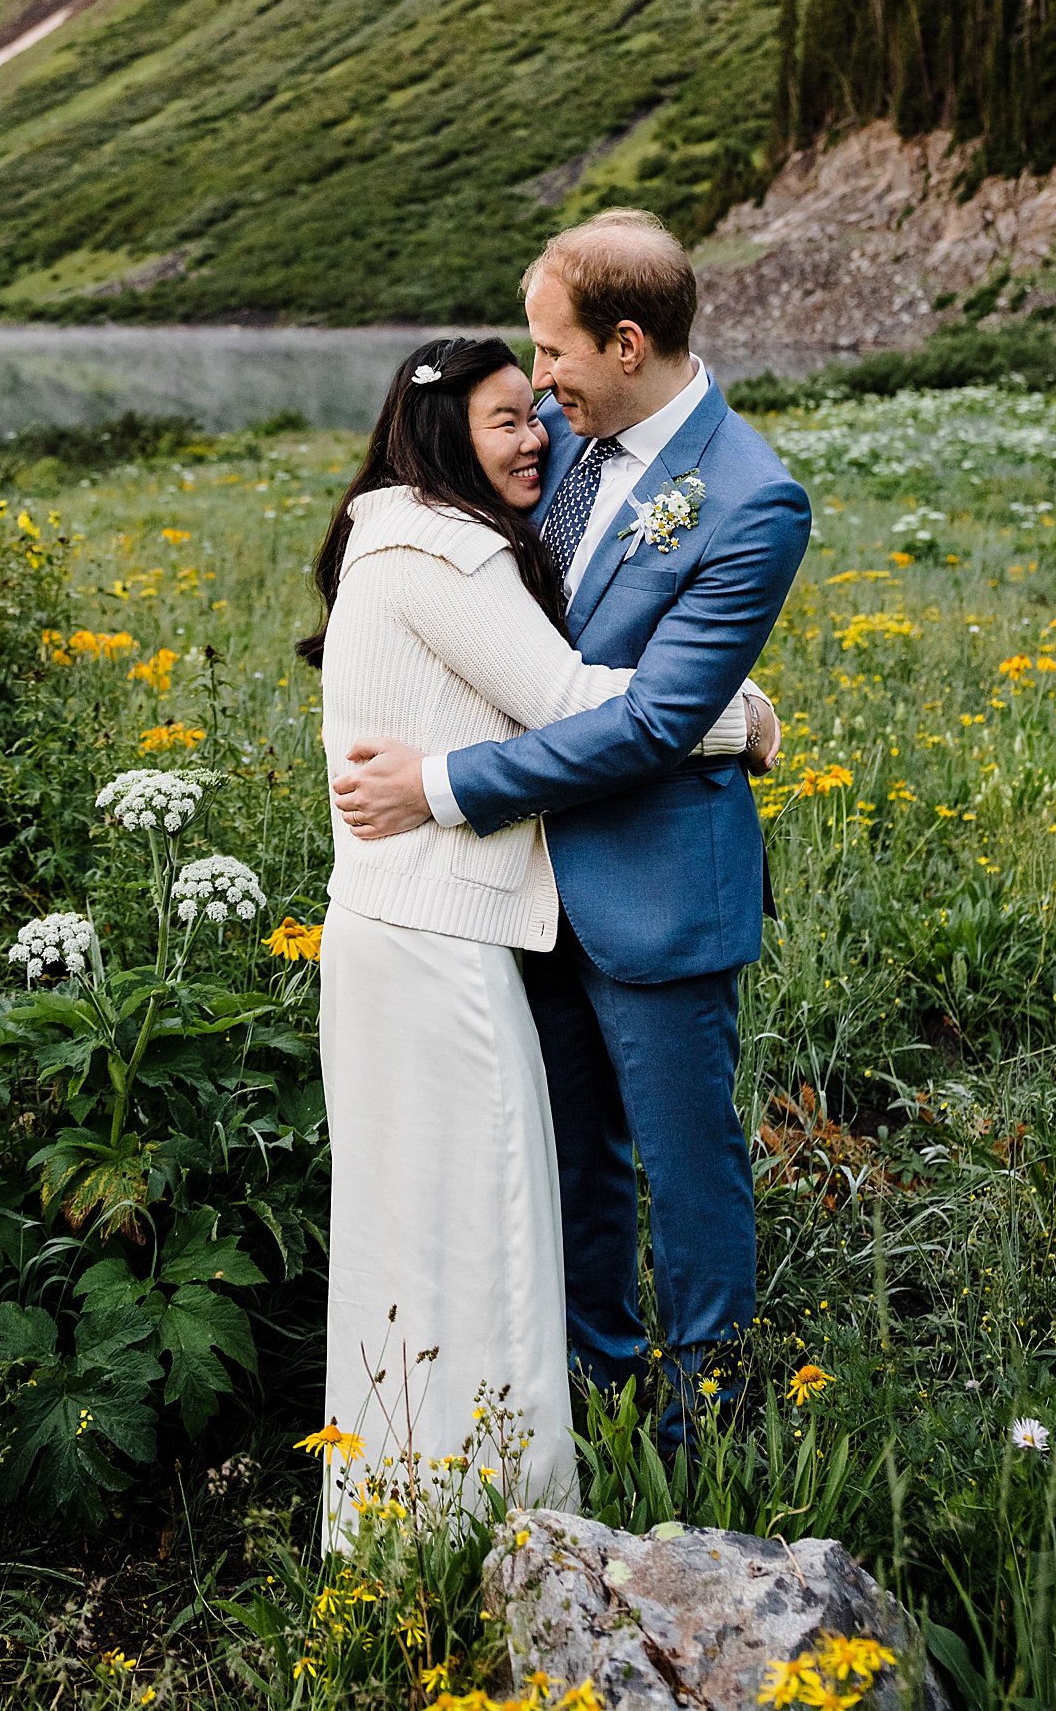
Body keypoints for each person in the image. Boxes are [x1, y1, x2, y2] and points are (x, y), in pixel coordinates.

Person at [335, 211, 811, 1445]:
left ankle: (708, 1423)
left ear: (629, 340)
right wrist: (737, 716)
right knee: (568, 1161)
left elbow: (653, 726)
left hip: (656, 881)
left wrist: (445, 781)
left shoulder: (754, 499)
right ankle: (591, 1387)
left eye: (555, 353)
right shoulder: (548, 434)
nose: (537, 383)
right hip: (527, 885)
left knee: (687, 1165)